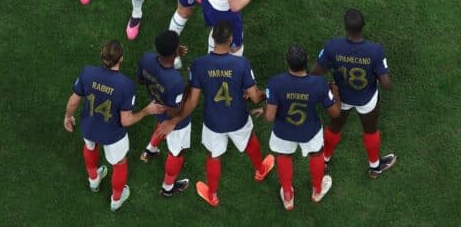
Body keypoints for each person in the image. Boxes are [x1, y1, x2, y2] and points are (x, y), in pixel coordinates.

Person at [157, 20, 275, 207]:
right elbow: (254, 97)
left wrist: (175, 120)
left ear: (213, 38)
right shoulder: (242, 63)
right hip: (238, 118)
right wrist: (268, 94)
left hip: (213, 122)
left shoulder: (199, 64)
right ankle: (260, 170)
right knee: (250, 140)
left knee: (213, 156)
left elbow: (193, 101)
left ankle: (212, 195)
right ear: (230, 40)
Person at [63, 40, 164, 211]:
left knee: (90, 146)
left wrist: (68, 117)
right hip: (112, 135)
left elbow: (74, 100)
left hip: (89, 126)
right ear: (121, 58)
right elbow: (126, 121)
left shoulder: (87, 72)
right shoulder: (126, 85)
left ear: (102, 56)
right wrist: (146, 111)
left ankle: (94, 180)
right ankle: (116, 200)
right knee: (119, 163)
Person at [310, 9, 396, 179]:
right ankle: (375, 167)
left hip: (340, 97)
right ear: (363, 26)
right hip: (366, 99)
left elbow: (314, 73)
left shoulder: (332, 47)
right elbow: (387, 84)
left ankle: (324, 160)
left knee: (334, 127)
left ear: (345, 28)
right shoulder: (375, 50)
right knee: (370, 130)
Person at [264, 45, 341, 210]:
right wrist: (335, 93)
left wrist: (268, 105)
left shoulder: (275, 82)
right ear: (307, 61)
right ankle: (317, 191)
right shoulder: (319, 84)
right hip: (310, 130)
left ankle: (287, 196)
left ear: (287, 62)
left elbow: (269, 117)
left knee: (283, 157)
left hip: (283, 132)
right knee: (316, 155)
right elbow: (335, 113)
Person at [136, 30, 191, 196]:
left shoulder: (146, 59)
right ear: (175, 51)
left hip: (156, 105)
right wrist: (190, 85)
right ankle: (168, 188)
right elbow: (176, 111)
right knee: (176, 152)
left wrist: (173, 55)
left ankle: (150, 150)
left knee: (160, 124)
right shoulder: (175, 81)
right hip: (173, 120)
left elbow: (140, 80)